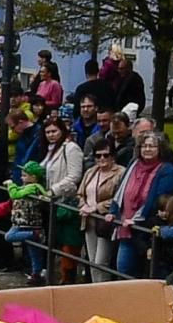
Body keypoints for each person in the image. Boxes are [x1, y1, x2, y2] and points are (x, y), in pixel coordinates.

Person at [111, 131, 173, 279]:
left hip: (148, 230)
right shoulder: (133, 164)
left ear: (160, 149)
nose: (147, 149)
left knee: (146, 273)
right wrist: (113, 210)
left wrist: (138, 220)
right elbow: (120, 190)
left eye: (152, 146)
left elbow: (160, 201)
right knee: (123, 269)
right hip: (126, 227)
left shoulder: (167, 170)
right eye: (144, 146)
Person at [41, 117, 85, 282]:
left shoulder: (71, 148)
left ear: (62, 131)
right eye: (47, 132)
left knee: (67, 243)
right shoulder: (51, 149)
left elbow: (74, 176)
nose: (51, 135)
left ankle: (67, 277)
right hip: (50, 202)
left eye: (54, 131)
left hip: (65, 200)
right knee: (52, 240)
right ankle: (52, 275)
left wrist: (54, 190)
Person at [79, 137, 124, 282]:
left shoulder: (120, 173)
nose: (102, 158)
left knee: (101, 262)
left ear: (113, 156)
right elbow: (80, 193)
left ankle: (104, 293)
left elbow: (119, 198)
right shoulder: (91, 172)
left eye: (106, 155)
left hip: (105, 222)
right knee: (92, 261)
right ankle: (96, 290)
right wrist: (83, 205)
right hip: (89, 221)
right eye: (98, 155)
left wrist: (97, 207)